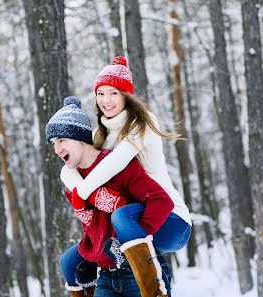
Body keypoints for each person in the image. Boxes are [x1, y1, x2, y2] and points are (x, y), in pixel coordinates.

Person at [60, 56, 192, 297]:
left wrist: (86, 192)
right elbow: (68, 166)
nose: (105, 100)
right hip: (129, 226)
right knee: (71, 261)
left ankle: (155, 292)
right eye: (100, 93)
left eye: (113, 93)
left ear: (126, 95)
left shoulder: (142, 122)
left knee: (120, 216)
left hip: (168, 218)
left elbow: (117, 161)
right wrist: (85, 195)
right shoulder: (100, 134)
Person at [45, 97, 174, 297]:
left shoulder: (117, 165)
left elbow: (162, 201)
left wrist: (130, 244)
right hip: (105, 276)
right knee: (67, 261)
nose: (57, 149)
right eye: (53, 143)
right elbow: (94, 230)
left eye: (62, 140)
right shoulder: (72, 185)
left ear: (80, 138)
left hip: (138, 272)